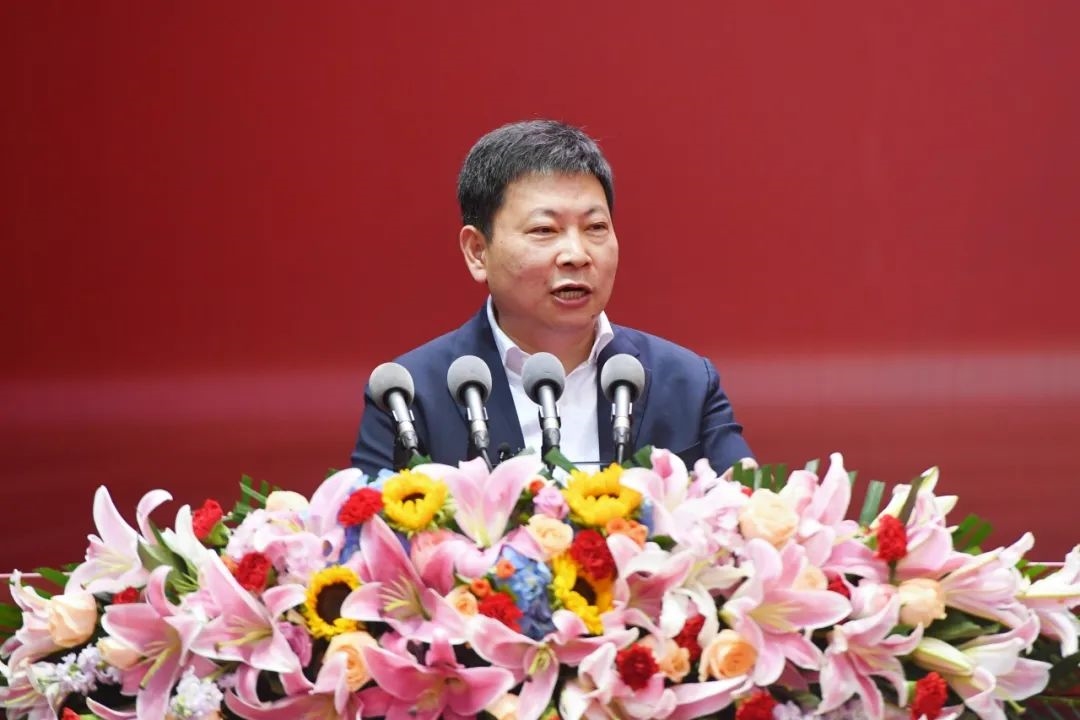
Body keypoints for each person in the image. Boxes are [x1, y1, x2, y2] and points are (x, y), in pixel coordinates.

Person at [350, 119, 753, 476]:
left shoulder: (685, 382)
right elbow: (368, 526)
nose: (576, 254)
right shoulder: (409, 394)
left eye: (595, 227)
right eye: (544, 230)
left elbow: (744, 513)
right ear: (477, 251)